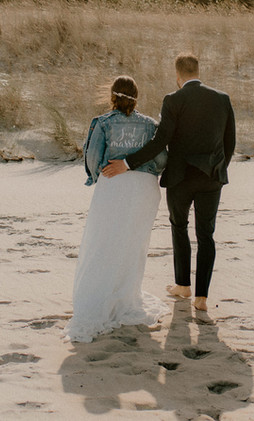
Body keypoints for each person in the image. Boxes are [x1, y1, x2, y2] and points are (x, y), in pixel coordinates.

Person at [102, 53, 235, 312]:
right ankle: (202, 298)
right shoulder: (222, 99)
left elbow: (160, 140)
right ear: (198, 70)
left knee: (179, 227)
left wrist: (128, 163)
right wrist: (219, 169)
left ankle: (183, 285)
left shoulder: (173, 99)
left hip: (180, 178)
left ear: (177, 76)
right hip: (211, 178)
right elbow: (229, 142)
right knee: (206, 235)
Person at [63, 76, 169, 343]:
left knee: (103, 242)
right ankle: (126, 294)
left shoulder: (104, 122)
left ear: (112, 96)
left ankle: (99, 297)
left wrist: (96, 175)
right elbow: (161, 158)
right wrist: (146, 172)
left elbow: (92, 157)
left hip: (114, 185)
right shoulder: (149, 125)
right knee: (132, 246)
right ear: (137, 96)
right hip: (144, 189)